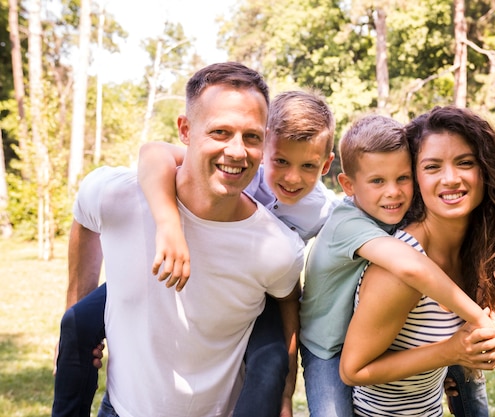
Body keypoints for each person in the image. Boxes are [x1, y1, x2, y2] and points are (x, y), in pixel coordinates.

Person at [52, 89, 337, 417]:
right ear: (267, 147)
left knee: (270, 362)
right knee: (75, 323)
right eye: (281, 161)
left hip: (263, 283)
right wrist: (168, 222)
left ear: (325, 166)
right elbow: (155, 152)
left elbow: (361, 214)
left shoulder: (321, 211)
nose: (291, 177)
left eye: (308, 167)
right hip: (174, 256)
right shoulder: (236, 165)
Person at [339, 106, 495, 416]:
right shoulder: (399, 270)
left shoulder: (477, 250)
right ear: (415, 178)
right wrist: (451, 351)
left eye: (465, 163)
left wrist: (481, 348)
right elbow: (354, 370)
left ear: (486, 170)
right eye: (432, 167)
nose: (451, 178)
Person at [298, 113, 495, 417]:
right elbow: (412, 268)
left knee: (468, 376)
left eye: (402, 178)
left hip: (368, 345)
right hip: (325, 346)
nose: (393, 192)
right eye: (378, 181)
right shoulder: (349, 223)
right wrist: (480, 319)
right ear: (348, 185)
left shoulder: (391, 218)